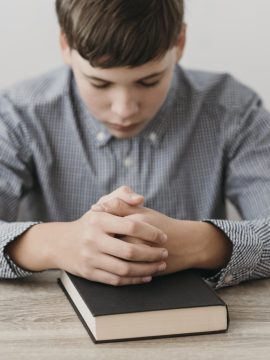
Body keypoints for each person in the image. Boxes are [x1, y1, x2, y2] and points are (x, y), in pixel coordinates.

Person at [0, 0, 269, 289]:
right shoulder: (19, 114)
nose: (124, 109)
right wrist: (55, 244)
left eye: (149, 81)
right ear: (65, 45)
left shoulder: (235, 111)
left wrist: (201, 243)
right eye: (100, 84)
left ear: (179, 42)